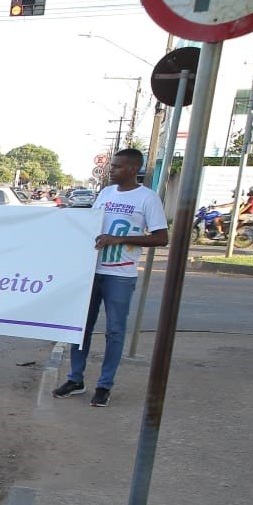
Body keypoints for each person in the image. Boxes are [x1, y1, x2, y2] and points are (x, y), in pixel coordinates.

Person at [53, 147, 168, 408]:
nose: (111, 170)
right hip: (92, 271)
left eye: (116, 166)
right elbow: (92, 226)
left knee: (115, 331)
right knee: (81, 327)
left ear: (131, 169)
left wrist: (120, 239)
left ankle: (104, 385)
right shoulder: (105, 193)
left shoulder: (147, 199)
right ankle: (76, 379)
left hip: (120, 274)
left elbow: (161, 237)